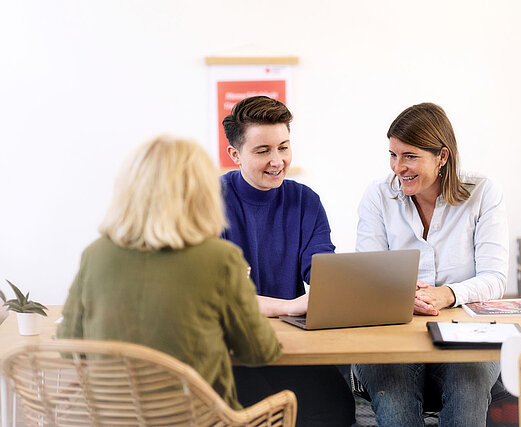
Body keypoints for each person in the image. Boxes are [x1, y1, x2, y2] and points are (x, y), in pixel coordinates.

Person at [57, 135, 282, 410]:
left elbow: (69, 347)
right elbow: (260, 351)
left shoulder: (95, 255)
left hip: (112, 418)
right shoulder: (220, 259)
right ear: (201, 193)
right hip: (197, 419)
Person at [352, 103, 509, 427]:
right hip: (393, 332)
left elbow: (494, 277)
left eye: (410, 156)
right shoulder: (378, 196)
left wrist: (446, 294)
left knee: (469, 381)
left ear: (442, 157)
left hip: (465, 332)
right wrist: (400, 296)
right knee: (392, 393)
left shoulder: (483, 193)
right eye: (393, 155)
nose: (398, 167)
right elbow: (367, 276)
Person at [220, 96, 355, 427]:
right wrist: (292, 305)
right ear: (235, 155)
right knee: (264, 416)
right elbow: (219, 300)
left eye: (283, 147)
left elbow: (323, 273)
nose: (277, 160)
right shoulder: (209, 202)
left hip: (291, 344)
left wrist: (329, 292)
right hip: (232, 349)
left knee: (337, 412)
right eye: (263, 151)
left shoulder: (305, 201)